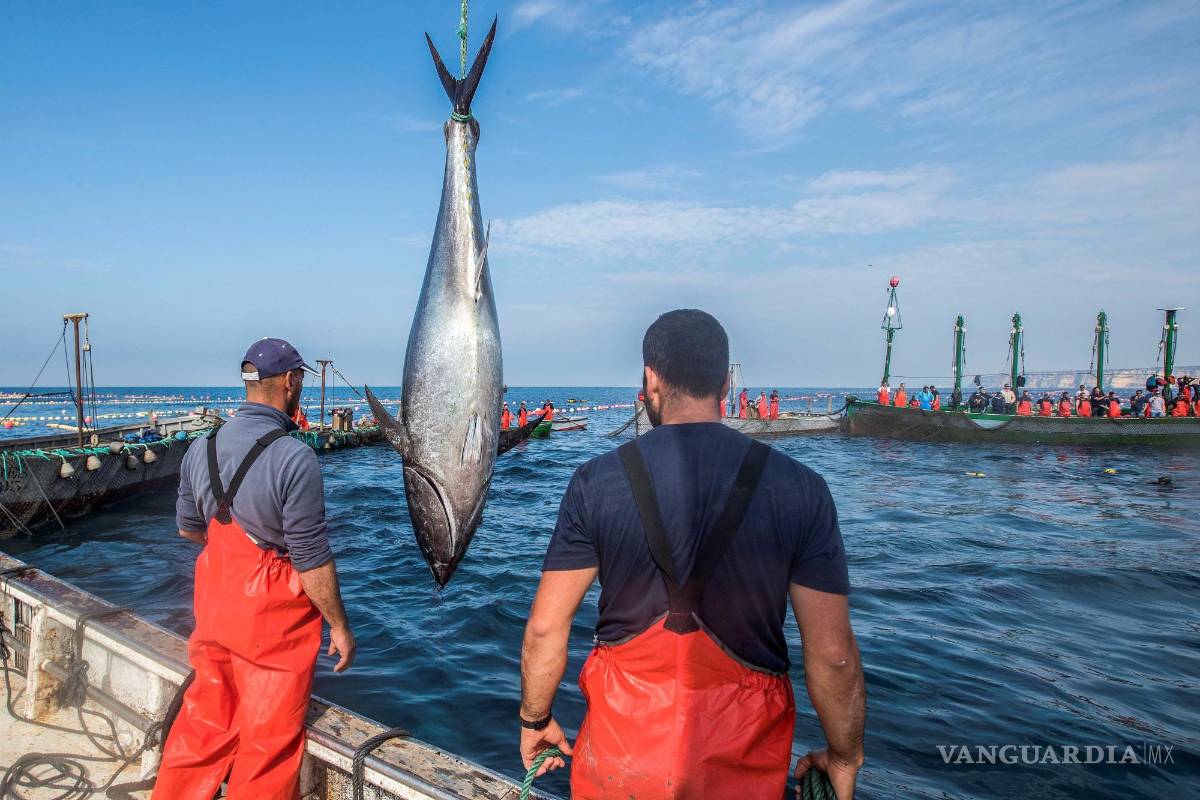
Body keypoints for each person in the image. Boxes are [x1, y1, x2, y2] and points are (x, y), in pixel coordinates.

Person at [519, 310, 865, 800]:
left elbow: (544, 629)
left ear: (650, 381)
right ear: (724, 382)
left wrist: (535, 719)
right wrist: (844, 753)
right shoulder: (803, 489)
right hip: (742, 765)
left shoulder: (593, 483)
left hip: (619, 766)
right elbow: (833, 656)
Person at [156, 338, 355, 800]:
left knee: (204, 722)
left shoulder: (199, 448)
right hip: (271, 624)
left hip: (215, 607)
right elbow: (311, 557)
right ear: (291, 381)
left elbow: (189, 530)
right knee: (268, 744)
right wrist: (339, 625)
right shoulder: (294, 457)